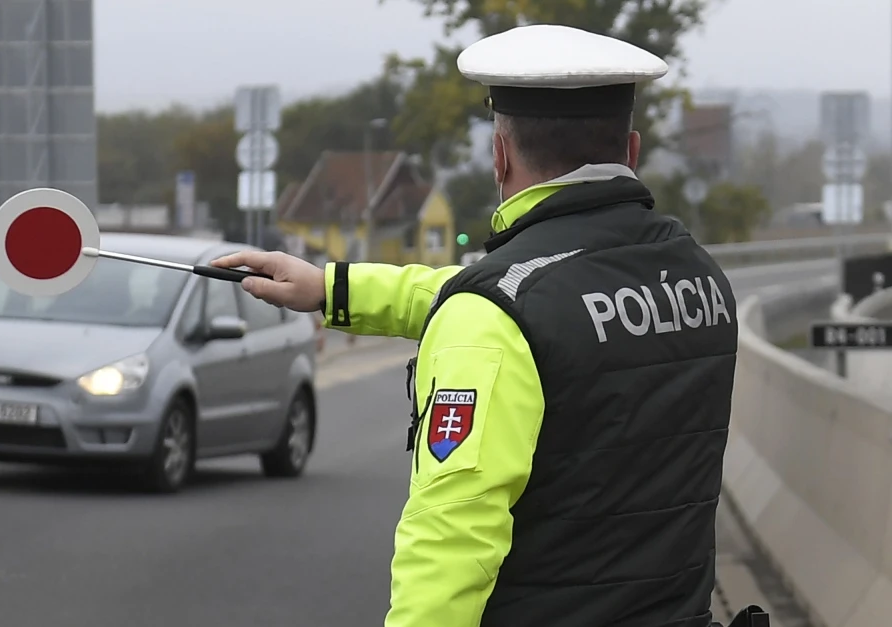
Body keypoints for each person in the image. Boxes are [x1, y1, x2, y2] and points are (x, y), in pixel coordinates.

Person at [212, 23, 748, 627]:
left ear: (500, 155)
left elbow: (452, 540)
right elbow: (526, 303)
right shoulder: (696, 277)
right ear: (631, 150)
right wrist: (331, 288)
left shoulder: (502, 312)